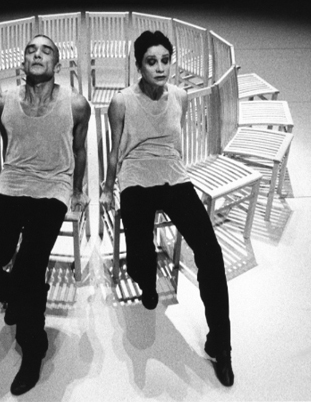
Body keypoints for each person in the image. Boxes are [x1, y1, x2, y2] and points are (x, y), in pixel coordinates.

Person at [99, 30, 235, 387]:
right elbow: (115, 150)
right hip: (136, 176)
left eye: (164, 60)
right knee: (139, 255)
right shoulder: (121, 101)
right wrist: (107, 187)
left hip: (173, 176)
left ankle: (221, 345)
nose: (160, 68)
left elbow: (173, 143)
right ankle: (146, 283)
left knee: (210, 253)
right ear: (138, 65)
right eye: (151, 61)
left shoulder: (180, 96)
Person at [0, 35, 91, 396]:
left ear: (57, 65)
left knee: (29, 267)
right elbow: (10, 145)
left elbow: (79, 150)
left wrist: (77, 192)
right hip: (12, 184)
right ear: (22, 63)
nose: (37, 54)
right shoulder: (3, 102)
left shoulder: (76, 104)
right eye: (31, 50)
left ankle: (33, 348)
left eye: (46, 50)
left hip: (52, 188)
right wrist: (3, 179)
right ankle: (24, 298)